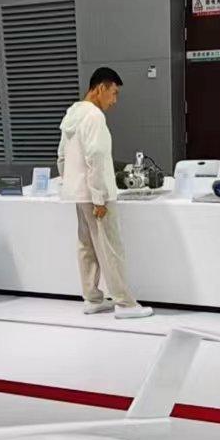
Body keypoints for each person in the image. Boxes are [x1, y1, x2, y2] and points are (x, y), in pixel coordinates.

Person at [58, 67, 151, 319]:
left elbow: (61, 156)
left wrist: (70, 183)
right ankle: (125, 304)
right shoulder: (94, 116)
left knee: (86, 246)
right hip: (96, 195)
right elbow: (97, 157)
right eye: (114, 92)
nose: (114, 100)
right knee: (110, 248)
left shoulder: (72, 114)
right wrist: (99, 197)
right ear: (101, 88)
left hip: (78, 193)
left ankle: (92, 299)